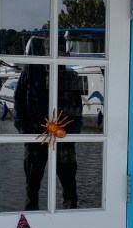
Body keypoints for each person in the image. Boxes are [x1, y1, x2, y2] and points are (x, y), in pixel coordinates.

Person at [14, 35, 84, 209]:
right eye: (57, 49)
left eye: (63, 50)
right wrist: (24, 130)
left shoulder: (71, 76)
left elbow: (77, 108)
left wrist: (72, 133)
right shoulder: (30, 71)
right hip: (35, 136)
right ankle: (31, 220)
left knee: (69, 186)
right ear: (47, 50)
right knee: (32, 186)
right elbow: (18, 101)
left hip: (63, 138)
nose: (61, 53)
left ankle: (70, 219)